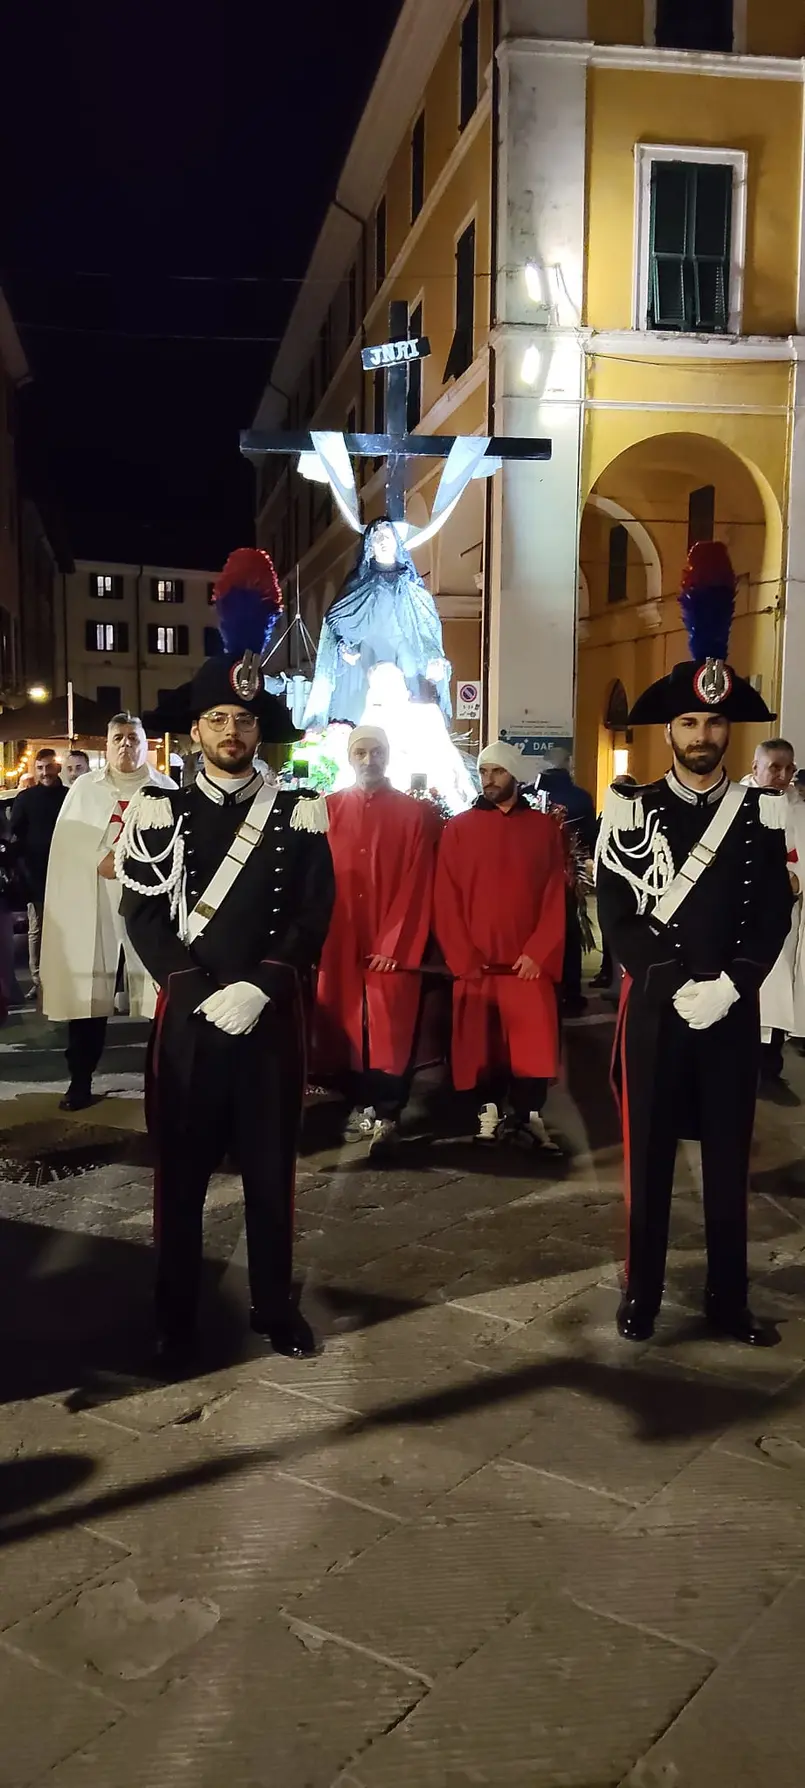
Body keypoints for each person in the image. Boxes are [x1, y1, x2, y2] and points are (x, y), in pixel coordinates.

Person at [119, 547, 334, 1372]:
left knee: (272, 1175)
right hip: (189, 1022)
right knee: (179, 1178)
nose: (233, 732)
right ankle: (174, 1314)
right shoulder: (159, 808)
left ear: (259, 729)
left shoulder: (299, 811)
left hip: (268, 1020)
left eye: (244, 720)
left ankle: (274, 1306)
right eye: (218, 719)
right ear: (196, 730)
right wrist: (195, 988)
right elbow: (142, 912)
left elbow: (315, 910)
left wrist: (262, 986)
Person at [596, 543, 794, 1348]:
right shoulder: (630, 808)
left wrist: (734, 984)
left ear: (727, 729)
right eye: (688, 721)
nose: (702, 733)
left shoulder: (760, 813)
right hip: (657, 1009)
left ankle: (726, 1298)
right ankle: (641, 1294)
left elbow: (774, 912)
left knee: (726, 1163)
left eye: (714, 721)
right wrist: (671, 978)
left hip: (729, 1013)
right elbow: (615, 909)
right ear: (668, 730)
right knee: (646, 1162)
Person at [314, 724, 441, 1154]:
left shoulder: (415, 814)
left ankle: (388, 1111)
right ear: (350, 756)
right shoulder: (327, 810)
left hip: (393, 938)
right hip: (340, 935)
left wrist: (396, 945)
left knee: (391, 1026)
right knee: (345, 1022)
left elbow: (419, 883)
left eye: (377, 752)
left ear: (388, 756)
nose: (369, 760)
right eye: (361, 752)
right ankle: (359, 1104)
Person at [434, 739, 566, 1147]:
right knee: (481, 1045)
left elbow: (554, 895)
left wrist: (539, 952)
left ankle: (528, 1114)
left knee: (532, 1044)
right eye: (483, 772)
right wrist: (462, 955)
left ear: (515, 776)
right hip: (478, 963)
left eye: (497, 771)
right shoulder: (458, 829)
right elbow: (446, 898)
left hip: (527, 965)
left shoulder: (543, 829)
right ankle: (487, 1110)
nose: (488, 779)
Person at [40, 715, 175, 1110]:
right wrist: (100, 858)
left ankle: (165, 1082)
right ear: (107, 743)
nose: (125, 745)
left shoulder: (165, 789)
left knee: (161, 997)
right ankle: (80, 1080)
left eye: (133, 737)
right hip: (94, 899)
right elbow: (70, 844)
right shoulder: (86, 788)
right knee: (90, 997)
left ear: (145, 743)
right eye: (118, 738)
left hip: (149, 902)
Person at [304, 519, 452, 729]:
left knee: (412, 685)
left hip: (404, 648)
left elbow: (426, 628)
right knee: (368, 694)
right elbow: (337, 620)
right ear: (369, 547)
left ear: (396, 542)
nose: (382, 541)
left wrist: (433, 657)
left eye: (387, 536)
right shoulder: (359, 583)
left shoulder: (411, 585)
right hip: (369, 648)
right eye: (376, 537)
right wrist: (343, 646)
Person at [740, 739, 804, 1094]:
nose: (782, 775)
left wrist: (796, 879)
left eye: (788, 768)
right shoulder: (735, 803)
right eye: (774, 767)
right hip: (741, 919)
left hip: (784, 919)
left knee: (778, 996)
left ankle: (769, 1072)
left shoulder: (798, 809)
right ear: (756, 768)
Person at [534, 747, 597, 1015]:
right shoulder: (580, 797)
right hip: (570, 876)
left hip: (534, 877)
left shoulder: (528, 794)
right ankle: (571, 993)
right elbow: (591, 836)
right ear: (568, 763)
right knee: (570, 931)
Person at [11, 747, 67, 999]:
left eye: (49, 767)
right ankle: (39, 980)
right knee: (38, 929)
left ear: (57, 767)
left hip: (67, 873)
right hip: (36, 874)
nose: (45, 773)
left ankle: (64, 978)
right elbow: (15, 834)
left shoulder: (70, 796)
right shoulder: (25, 798)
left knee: (67, 927)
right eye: (40, 768)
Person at [590, 775, 637, 992]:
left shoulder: (636, 820)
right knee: (609, 933)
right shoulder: (606, 817)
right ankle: (610, 974)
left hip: (623, 889)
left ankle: (619, 981)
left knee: (618, 934)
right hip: (608, 886)